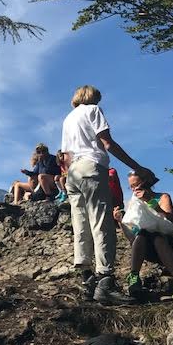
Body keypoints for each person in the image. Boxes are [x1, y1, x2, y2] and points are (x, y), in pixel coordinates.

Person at [61, 85, 157, 305]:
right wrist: (137, 167)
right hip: (91, 167)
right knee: (101, 223)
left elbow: (65, 155)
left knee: (81, 224)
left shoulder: (68, 119)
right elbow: (107, 143)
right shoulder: (93, 110)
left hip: (73, 172)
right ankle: (105, 280)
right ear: (93, 97)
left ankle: (87, 280)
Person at [114, 171, 173, 299]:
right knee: (144, 233)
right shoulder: (134, 205)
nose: (134, 189)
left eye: (136, 185)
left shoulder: (162, 197)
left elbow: (171, 221)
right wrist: (121, 221)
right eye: (131, 187)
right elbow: (133, 239)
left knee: (152, 233)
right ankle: (134, 277)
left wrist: (150, 201)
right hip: (149, 249)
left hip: (168, 244)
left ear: (146, 183)